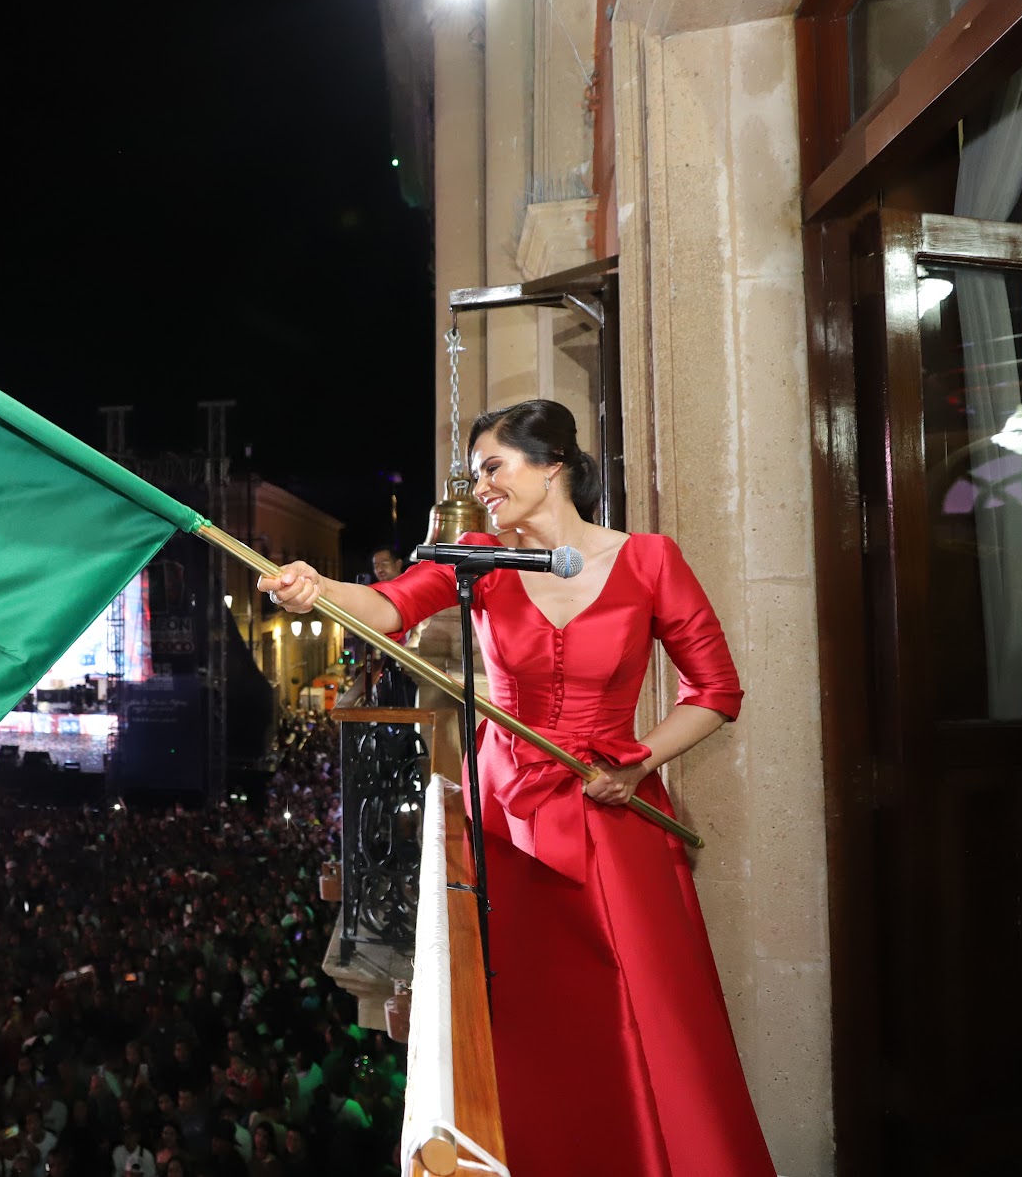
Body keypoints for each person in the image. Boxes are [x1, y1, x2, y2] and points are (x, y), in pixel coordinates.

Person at [256, 398, 776, 1175]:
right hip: (506, 820)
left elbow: (715, 691)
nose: (482, 486)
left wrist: (637, 762)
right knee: (526, 1020)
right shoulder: (476, 557)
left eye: (493, 467)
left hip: (616, 816)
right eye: (475, 474)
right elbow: (390, 606)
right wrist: (318, 587)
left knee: (642, 1014)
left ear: (552, 463)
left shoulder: (650, 561)